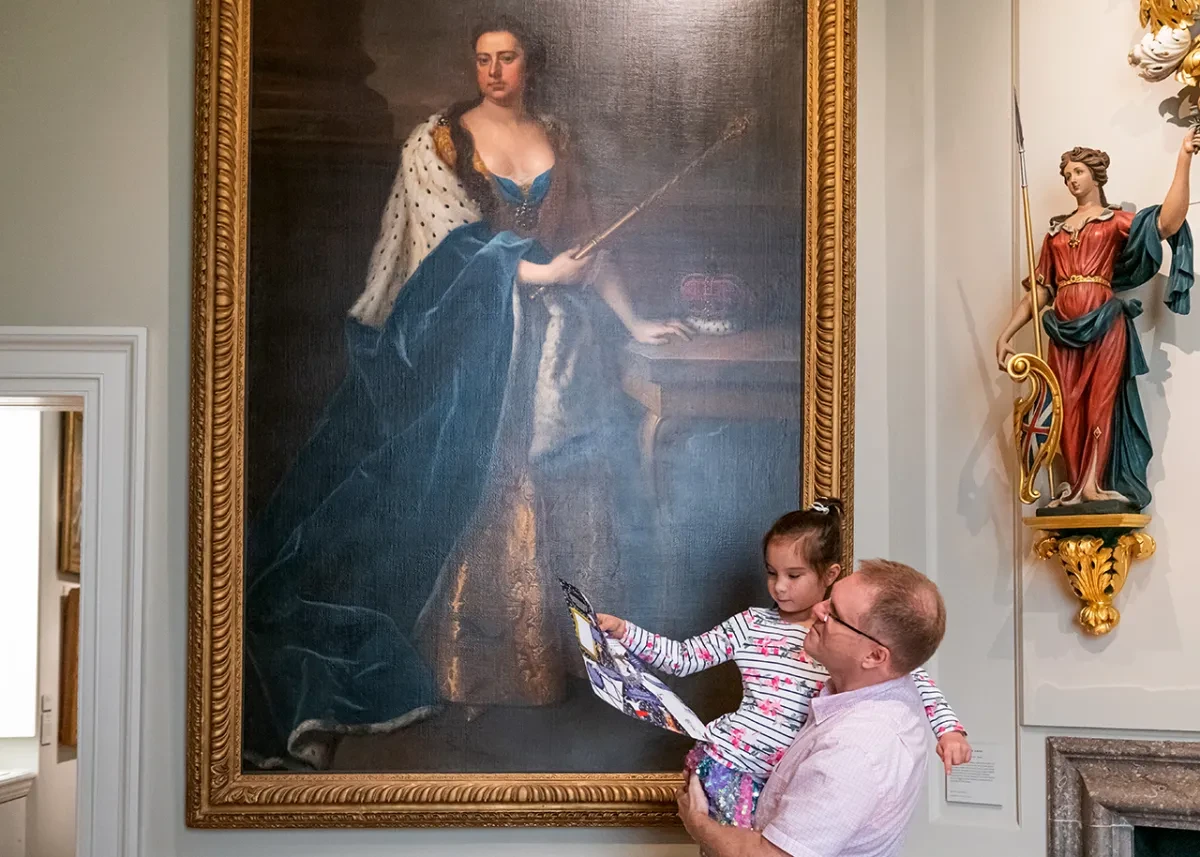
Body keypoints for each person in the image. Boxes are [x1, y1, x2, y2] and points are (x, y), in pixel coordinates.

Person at [242, 15, 689, 769]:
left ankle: (560, 663)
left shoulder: (561, 141)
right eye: (482, 58)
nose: (492, 71)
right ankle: (470, 667)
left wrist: (637, 320)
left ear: (528, 65)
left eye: (506, 57)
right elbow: (445, 254)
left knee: (566, 487)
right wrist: (540, 274)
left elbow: (589, 245)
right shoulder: (438, 143)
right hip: (473, 350)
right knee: (480, 487)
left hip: (558, 358)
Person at [597, 501, 970, 828]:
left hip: (783, 779)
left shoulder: (844, 641)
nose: (779, 587)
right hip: (730, 763)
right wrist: (625, 631)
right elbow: (683, 658)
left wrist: (950, 732)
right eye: (772, 573)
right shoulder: (750, 625)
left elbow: (914, 680)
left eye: (794, 576)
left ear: (830, 575)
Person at [677, 559, 949, 857]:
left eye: (835, 615)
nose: (818, 609)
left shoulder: (855, 749)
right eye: (829, 599)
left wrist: (697, 823)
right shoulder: (887, 685)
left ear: (874, 655)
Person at [994, 132, 1196, 508]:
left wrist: (1184, 158)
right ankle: (1073, 485)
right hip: (1061, 328)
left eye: (1078, 172)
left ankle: (1092, 484)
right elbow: (1040, 290)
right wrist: (1007, 333)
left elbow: (1167, 223)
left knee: (1100, 402)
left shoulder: (1113, 221)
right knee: (1066, 405)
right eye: (1067, 174)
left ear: (1096, 176)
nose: (1071, 180)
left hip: (1104, 322)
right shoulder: (1055, 233)